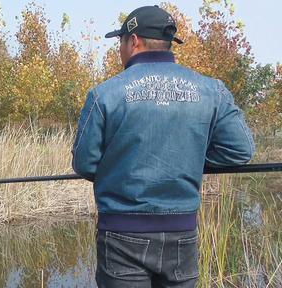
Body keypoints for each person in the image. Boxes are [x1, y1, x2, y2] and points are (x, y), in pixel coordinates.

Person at [71, 5, 255, 287]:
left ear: (133, 41)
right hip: (181, 234)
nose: (119, 50)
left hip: (121, 235)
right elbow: (240, 151)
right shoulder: (212, 90)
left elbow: (84, 163)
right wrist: (189, 159)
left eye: (120, 42)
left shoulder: (104, 95)